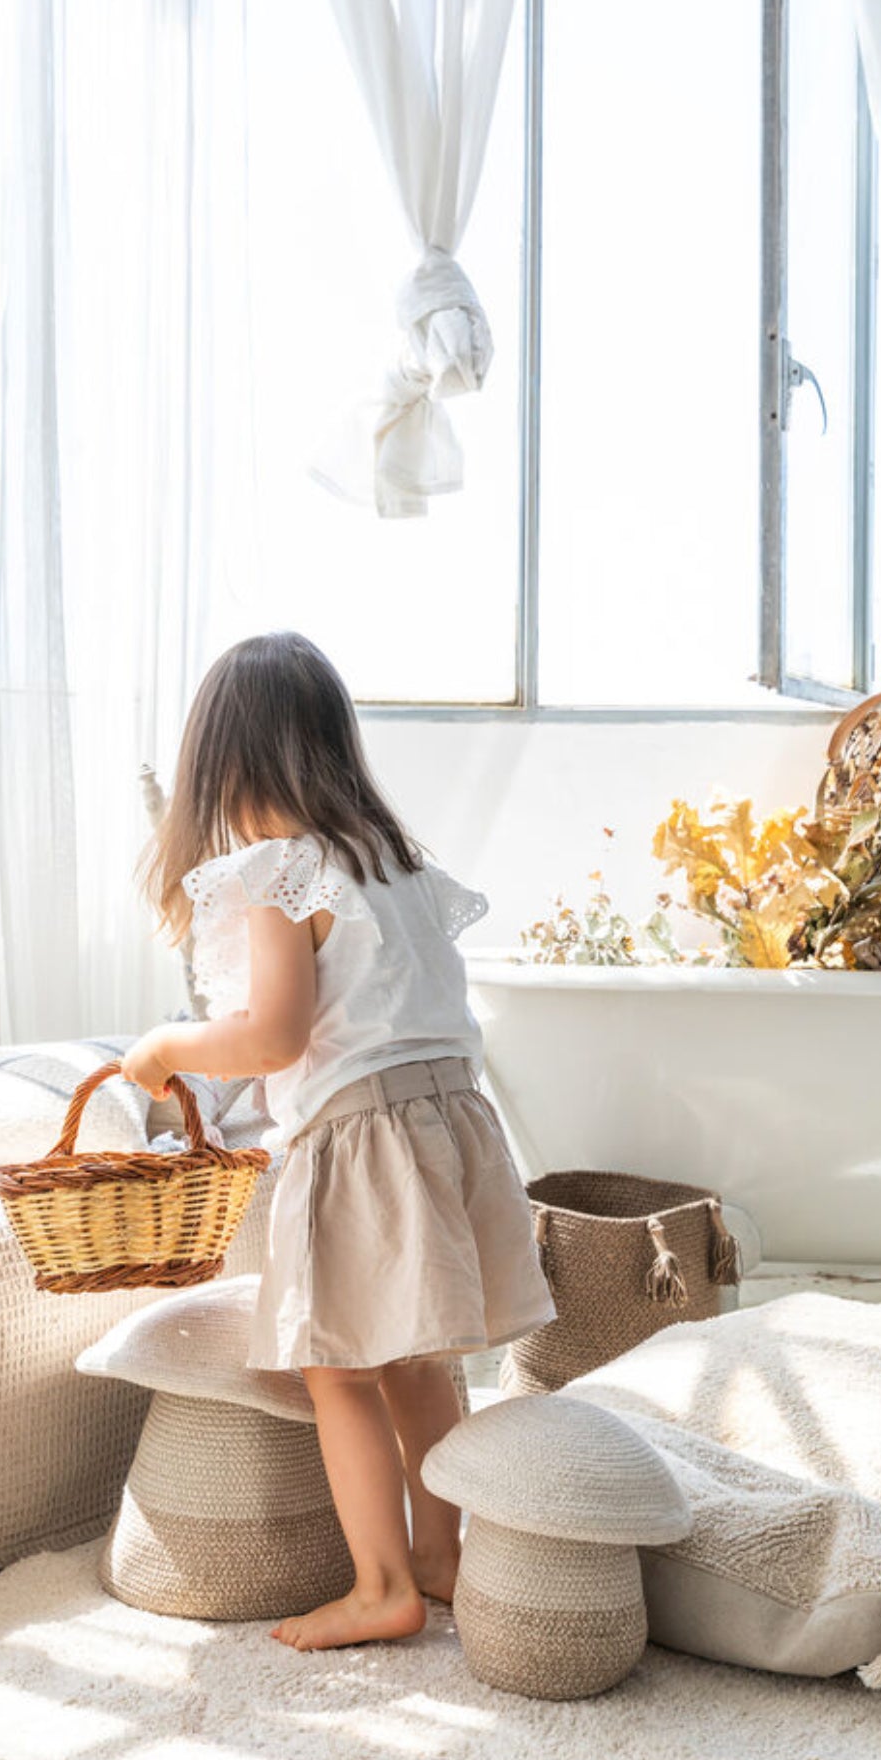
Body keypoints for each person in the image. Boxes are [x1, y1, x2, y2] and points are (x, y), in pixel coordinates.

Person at [121, 631, 555, 1651]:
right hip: (449, 1122)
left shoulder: (279, 873)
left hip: (360, 1134)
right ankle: (443, 1555)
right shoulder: (398, 864)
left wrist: (167, 1046)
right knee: (412, 1357)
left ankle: (378, 1584)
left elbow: (273, 1033)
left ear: (219, 764)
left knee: (338, 1369)